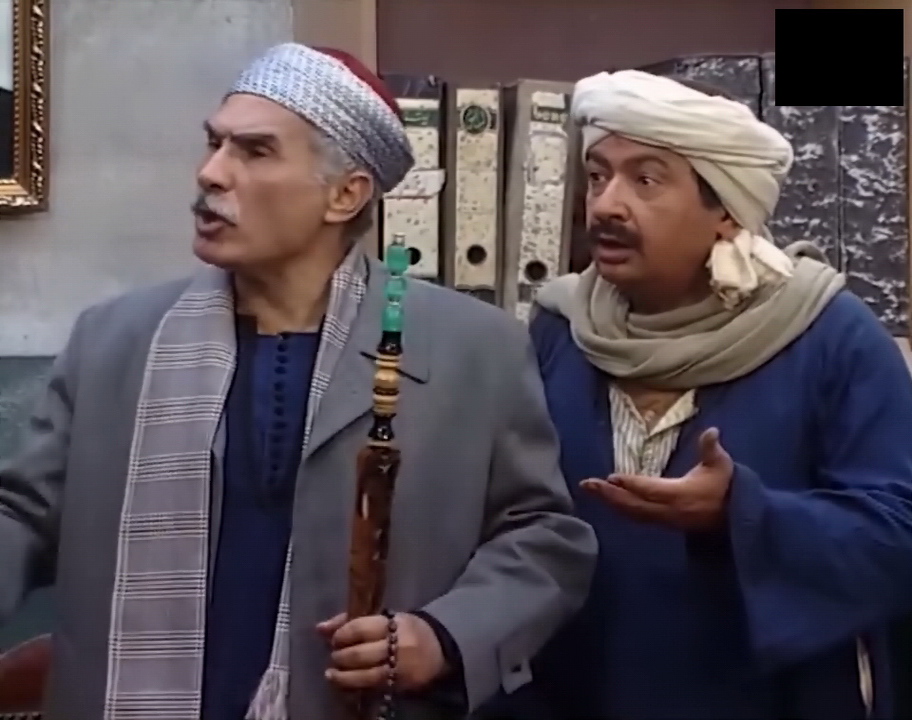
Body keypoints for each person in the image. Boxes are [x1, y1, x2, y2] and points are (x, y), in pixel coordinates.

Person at [0, 43, 596, 720]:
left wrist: (444, 636)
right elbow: (22, 513)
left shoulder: (472, 350)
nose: (210, 173)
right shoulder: (114, 342)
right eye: (215, 143)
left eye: (255, 152)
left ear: (346, 194)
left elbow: (542, 537)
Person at [482, 71, 912, 720]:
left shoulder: (827, 334)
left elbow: (897, 534)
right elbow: (514, 515)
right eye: (597, 176)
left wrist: (739, 514)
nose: (606, 206)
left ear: (726, 209)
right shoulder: (560, 327)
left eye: (646, 181)